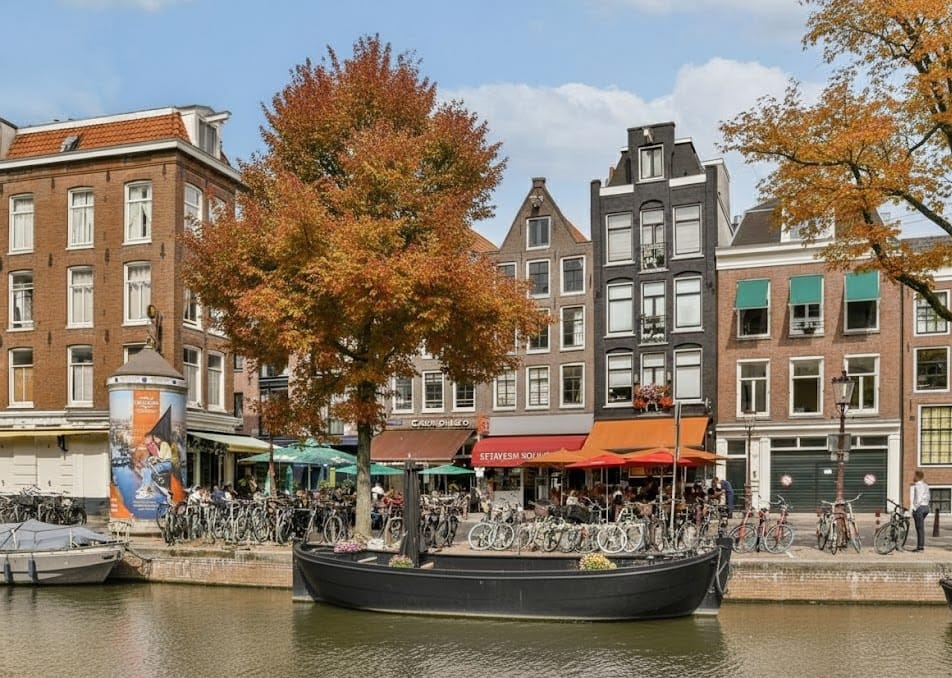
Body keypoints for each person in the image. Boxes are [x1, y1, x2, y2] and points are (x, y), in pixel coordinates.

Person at [909, 469, 930, 552]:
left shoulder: (918, 486)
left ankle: (920, 547)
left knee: (919, 528)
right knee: (920, 527)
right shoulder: (925, 485)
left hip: (920, 508)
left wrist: (914, 509)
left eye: (914, 476)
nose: (913, 477)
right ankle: (920, 546)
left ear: (917, 477)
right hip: (926, 507)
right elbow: (928, 496)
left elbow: (919, 499)